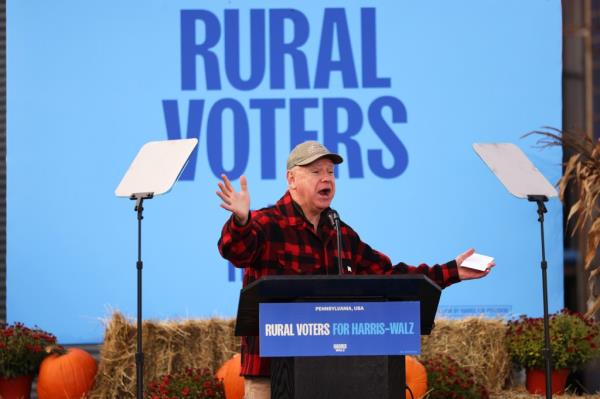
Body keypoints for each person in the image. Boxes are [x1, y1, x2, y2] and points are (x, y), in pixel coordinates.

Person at [217, 140, 494, 399]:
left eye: (330, 172)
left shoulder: (340, 233)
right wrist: (241, 222)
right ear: (292, 179)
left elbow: (390, 275)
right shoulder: (265, 224)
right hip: (272, 375)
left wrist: (452, 271)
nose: (327, 178)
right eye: (316, 172)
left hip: (336, 373)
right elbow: (236, 251)